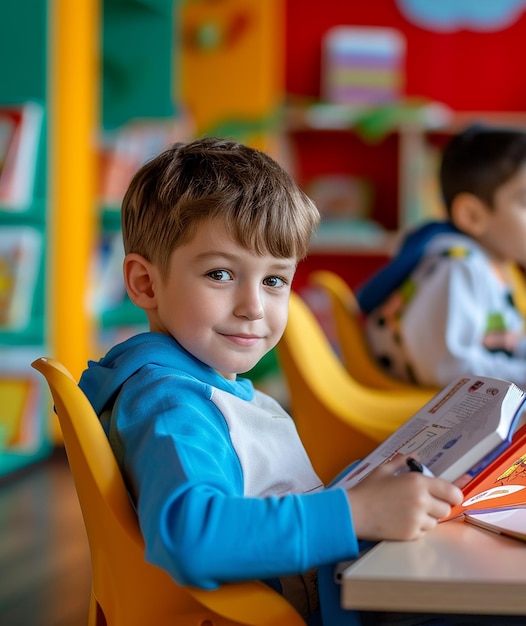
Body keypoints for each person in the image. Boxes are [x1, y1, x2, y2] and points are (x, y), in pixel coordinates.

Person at [77, 137, 463, 626]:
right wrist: (354, 514)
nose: (253, 306)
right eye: (220, 273)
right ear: (146, 284)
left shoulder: (205, 384)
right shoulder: (173, 405)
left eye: (274, 280)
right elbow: (192, 535)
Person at [356, 123, 526, 391]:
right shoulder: (458, 268)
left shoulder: (493, 265)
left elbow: (499, 346)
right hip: (424, 411)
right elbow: (454, 368)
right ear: (472, 215)